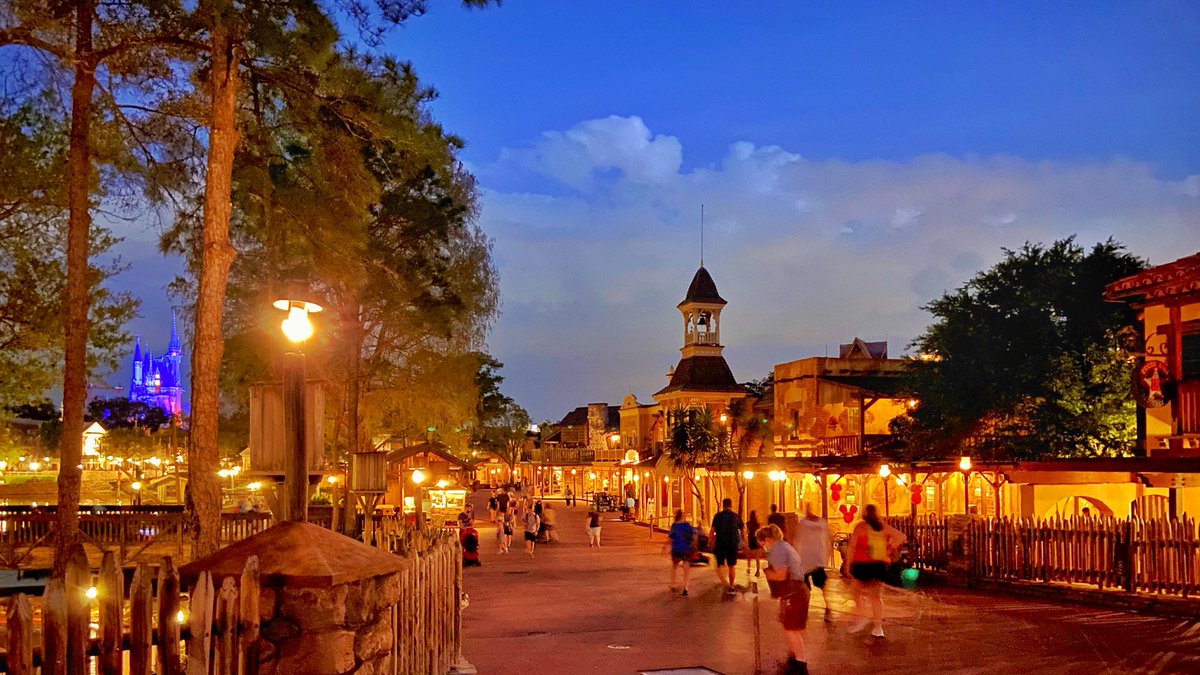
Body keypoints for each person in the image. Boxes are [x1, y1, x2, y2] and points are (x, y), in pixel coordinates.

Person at [847, 504, 907, 638]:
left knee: (855, 591)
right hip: (878, 565)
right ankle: (878, 628)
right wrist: (890, 548)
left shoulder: (861, 527)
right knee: (876, 597)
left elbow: (852, 547)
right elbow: (901, 536)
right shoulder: (882, 527)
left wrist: (848, 564)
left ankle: (862, 614)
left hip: (861, 564)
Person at [757, 524, 810, 675]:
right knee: (790, 628)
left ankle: (800, 663)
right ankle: (795, 658)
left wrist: (766, 573)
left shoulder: (778, 549)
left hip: (794, 593)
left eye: (762, 543)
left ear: (768, 539)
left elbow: (780, 575)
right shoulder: (783, 546)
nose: (762, 547)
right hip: (795, 592)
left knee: (791, 629)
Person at [795, 503, 833, 621]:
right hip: (817, 559)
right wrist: (827, 556)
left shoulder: (803, 524)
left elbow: (796, 540)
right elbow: (829, 539)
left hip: (806, 559)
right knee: (822, 586)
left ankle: (805, 609)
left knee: (806, 586)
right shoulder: (822, 523)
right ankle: (827, 607)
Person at [710, 498, 743, 592]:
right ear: (731, 505)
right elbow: (743, 530)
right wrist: (744, 543)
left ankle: (723, 581)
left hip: (720, 543)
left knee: (718, 565)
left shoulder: (717, 516)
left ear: (723, 505)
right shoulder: (736, 516)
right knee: (731, 566)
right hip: (732, 543)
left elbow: (712, 530)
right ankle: (731, 585)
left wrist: (710, 542)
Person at [664, 510, 696, 596]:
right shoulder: (687, 525)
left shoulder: (674, 526)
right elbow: (692, 536)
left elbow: (670, 538)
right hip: (685, 549)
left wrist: (664, 547)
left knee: (674, 567)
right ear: (682, 516)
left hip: (676, 549)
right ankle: (685, 588)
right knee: (686, 570)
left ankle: (673, 584)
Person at [745, 510, 763, 577]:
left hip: (750, 540)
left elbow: (747, 532)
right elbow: (759, 532)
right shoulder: (757, 524)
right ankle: (757, 571)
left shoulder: (748, 523)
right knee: (757, 558)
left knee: (749, 557)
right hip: (756, 540)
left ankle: (748, 569)